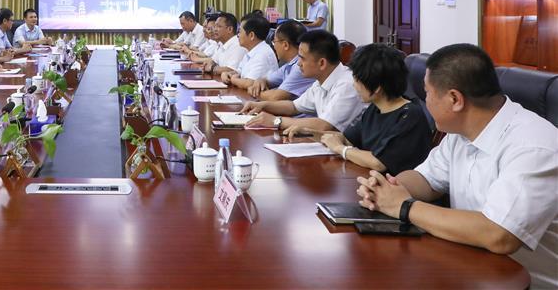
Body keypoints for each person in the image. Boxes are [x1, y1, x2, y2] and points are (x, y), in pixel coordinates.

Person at [357, 44, 557, 288]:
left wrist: (404, 206)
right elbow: (426, 179)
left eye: (427, 93)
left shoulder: (534, 146)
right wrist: (387, 188)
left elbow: (499, 235)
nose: (424, 101)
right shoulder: (459, 133)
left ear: (455, 99)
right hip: (468, 268)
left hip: (525, 283)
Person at [319, 43, 431, 174]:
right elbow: (347, 139)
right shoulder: (375, 108)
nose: (354, 86)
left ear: (377, 87)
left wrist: (340, 148)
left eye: (357, 81)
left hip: (396, 184)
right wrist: (309, 133)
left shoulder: (409, 116)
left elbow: (379, 163)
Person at [239, 30, 364, 136]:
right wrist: (263, 105)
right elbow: (294, 107)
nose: (299, 63)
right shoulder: (320, 81)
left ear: (322, 63)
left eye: (303, 58)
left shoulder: (347, 84)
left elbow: (325, 125)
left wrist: (276, 121)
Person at [246, 20, 314, 100]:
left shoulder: (301, 67)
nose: (274, 46)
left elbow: (275, 97)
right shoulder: (289, 65)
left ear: (285, 45)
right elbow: (266, 80)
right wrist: (260, 81)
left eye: (274, 42)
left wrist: (255, 92)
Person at [220, 16, 278, 88]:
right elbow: (239, 72)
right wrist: (227, 74)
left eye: (240, 32)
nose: (238, 35)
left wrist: (233, 80)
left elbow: (250, 83)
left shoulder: (263, 54)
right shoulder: (251, 50)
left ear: (251, 35)